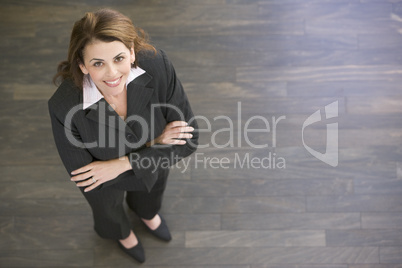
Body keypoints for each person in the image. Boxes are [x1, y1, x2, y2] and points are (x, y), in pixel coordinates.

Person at [48, 8, 198, 263]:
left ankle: (147, 213)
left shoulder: (157, 64)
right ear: (82, 65)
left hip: (140, 169)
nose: (112, 74)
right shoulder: (63, 106)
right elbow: (88, 177)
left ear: (131, 51)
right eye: (98, 63)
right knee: (107, 206)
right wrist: (157, 143)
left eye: (119, 58)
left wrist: (123, 163)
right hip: (106, 183)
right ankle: (122, 232)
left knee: (151, 190)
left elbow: (189, 141)